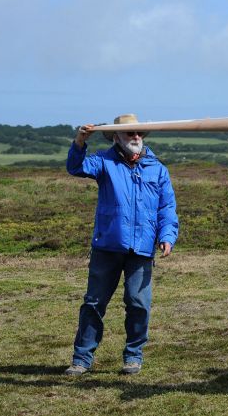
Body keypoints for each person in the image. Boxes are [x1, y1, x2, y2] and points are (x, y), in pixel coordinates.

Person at [64, 114, 179, 376]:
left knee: (139, 304)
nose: (135, 137)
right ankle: (82, 359)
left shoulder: (157, 168)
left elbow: (167, 207)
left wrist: (167, 236)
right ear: (116, 137)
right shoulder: (103, 162)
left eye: (138, 133)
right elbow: (75, 167)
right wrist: (80, 140)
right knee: (94, 303)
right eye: (129, 134)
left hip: (141, 249)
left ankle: (133, 356)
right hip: (107, 246)